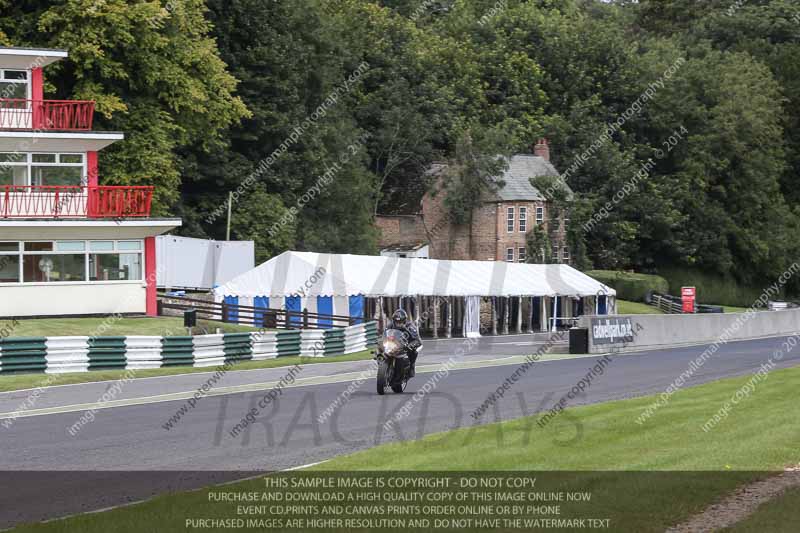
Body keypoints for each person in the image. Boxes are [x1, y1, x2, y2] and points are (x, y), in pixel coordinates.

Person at [386, 308, 421, 377]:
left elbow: (417, 340)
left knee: (414, 351)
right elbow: (385, 335)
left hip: (406, 345)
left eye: (400, 322)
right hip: (394, 344)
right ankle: (385, 367)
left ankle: (412, 366)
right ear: (393, 320)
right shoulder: (390, 326)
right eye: (396, 322)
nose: (398, 324)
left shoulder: (410, 326)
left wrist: (411, 345)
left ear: (404, 321)